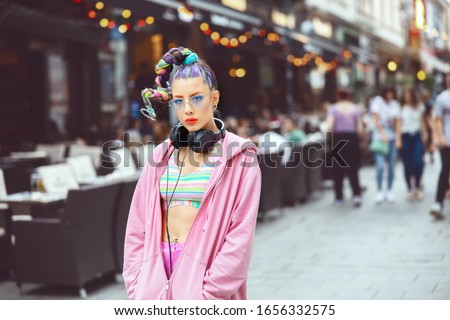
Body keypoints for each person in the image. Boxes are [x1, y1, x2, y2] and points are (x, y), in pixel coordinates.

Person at [123, 47, 262, 300]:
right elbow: (137, 226)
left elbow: (239, 240)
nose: (187, 109)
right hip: (153, 286)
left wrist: (207, 295)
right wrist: (136, 284)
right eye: (178, 100)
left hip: (205, 291)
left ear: (215, 98)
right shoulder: (161, 155)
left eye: (196, 98)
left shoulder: (242, 157)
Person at [326, 88, 363, 207]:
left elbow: (329, 127)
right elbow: (360, 129)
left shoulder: (333, 109)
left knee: (337, 168)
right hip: (352, 139)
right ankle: (356, 195)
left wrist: (331, 138)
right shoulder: (355, 108)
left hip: (338, 139)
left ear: (337, 96)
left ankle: (339, 197)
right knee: (353, 168)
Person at [370, 87, 402, 204]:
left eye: (391, 94)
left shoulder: (395, 104)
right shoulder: (377, 102)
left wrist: (398, 138)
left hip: (392, 137)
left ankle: (389, 190)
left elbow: (398, 122)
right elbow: (376, 120)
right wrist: (382, 134)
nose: (390, 96)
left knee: (391, 166)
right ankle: (379, 191)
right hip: (380, 138)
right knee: (379, 166)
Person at [399, 88, 427, 201]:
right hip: (405, 136)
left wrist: (425, 134)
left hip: (416, 135)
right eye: (405, 94)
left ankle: (418, 187)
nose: (407, 97)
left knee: (418, 162)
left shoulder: (419, 107)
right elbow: (397, 124)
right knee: (407, 163)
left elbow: (422, 121)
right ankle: (410, 188)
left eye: (409, 95)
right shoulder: (400, 108)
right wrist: (398, 139)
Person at [429, 74, 450, 220]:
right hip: (446, 141)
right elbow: (436, 119)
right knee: (444, 171)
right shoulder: (442, 98)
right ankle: (438, 203)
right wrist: (438, 137)